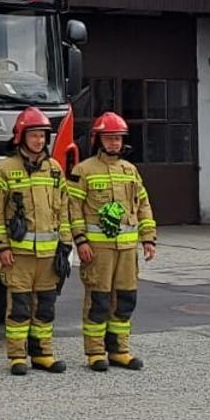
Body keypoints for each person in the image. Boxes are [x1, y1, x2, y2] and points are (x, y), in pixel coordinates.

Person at [67, 111, 158, 372]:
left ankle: (120, 350)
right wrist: (80, 241)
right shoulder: (82, 171)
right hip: (98, 251)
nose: (114, 143)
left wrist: (148, 238)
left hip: (127, 251)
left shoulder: (130, 171)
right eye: (109, 138)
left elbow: (143, 206)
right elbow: (72, 209)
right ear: (98, 140)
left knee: (126, 299)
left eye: (118, 138)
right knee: (99, 300)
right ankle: (95, 352)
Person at [0, 107, 72, 375]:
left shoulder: (54, 169)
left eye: (42, 136)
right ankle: (16, 356)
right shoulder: (4, 170)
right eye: (34, 135)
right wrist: (0, 246)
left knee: (45, 306)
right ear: (20, 137)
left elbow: (64, 208)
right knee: (20, 308)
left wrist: (65, 244)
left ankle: (42, 353)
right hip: (19, 255)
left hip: (49, 256)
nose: (39, 141)